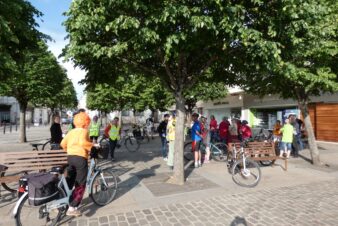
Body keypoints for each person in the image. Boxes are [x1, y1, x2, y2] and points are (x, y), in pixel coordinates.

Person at [60, 112, 93, 217]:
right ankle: (72, 207)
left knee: (70, 179)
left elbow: (62, 144)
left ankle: (61, 202)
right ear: (86, 122)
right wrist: (92, 146)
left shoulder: (71, 131)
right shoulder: (84, 131)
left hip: (70, 157)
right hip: (80, 159)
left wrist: (69, 149)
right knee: (81, 183)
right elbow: (84, 143)